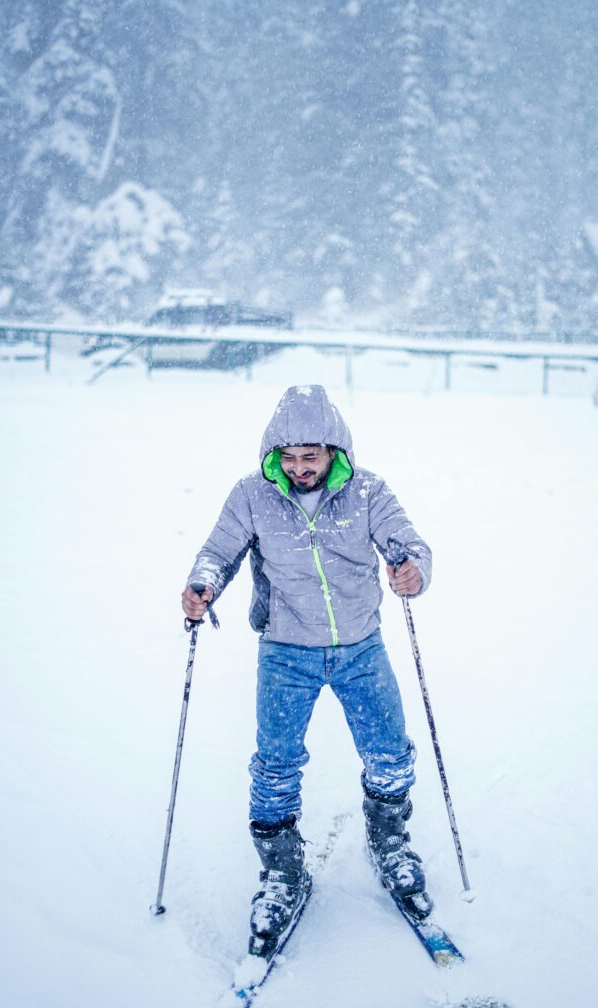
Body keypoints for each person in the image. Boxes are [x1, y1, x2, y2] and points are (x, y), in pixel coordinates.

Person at [181, 384, 433, 953]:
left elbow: (411, 545)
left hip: (360, 648)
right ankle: (283, 871)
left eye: (310, 458)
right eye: (288, 458)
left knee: (390, 752)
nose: (298, 469)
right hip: (285, 652)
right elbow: (217, 553)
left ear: (334, 451)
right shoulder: (252, 494)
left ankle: (391, 846)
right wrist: (203, 586)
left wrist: (411, 569)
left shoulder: (369, 491)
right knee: (274, 765)